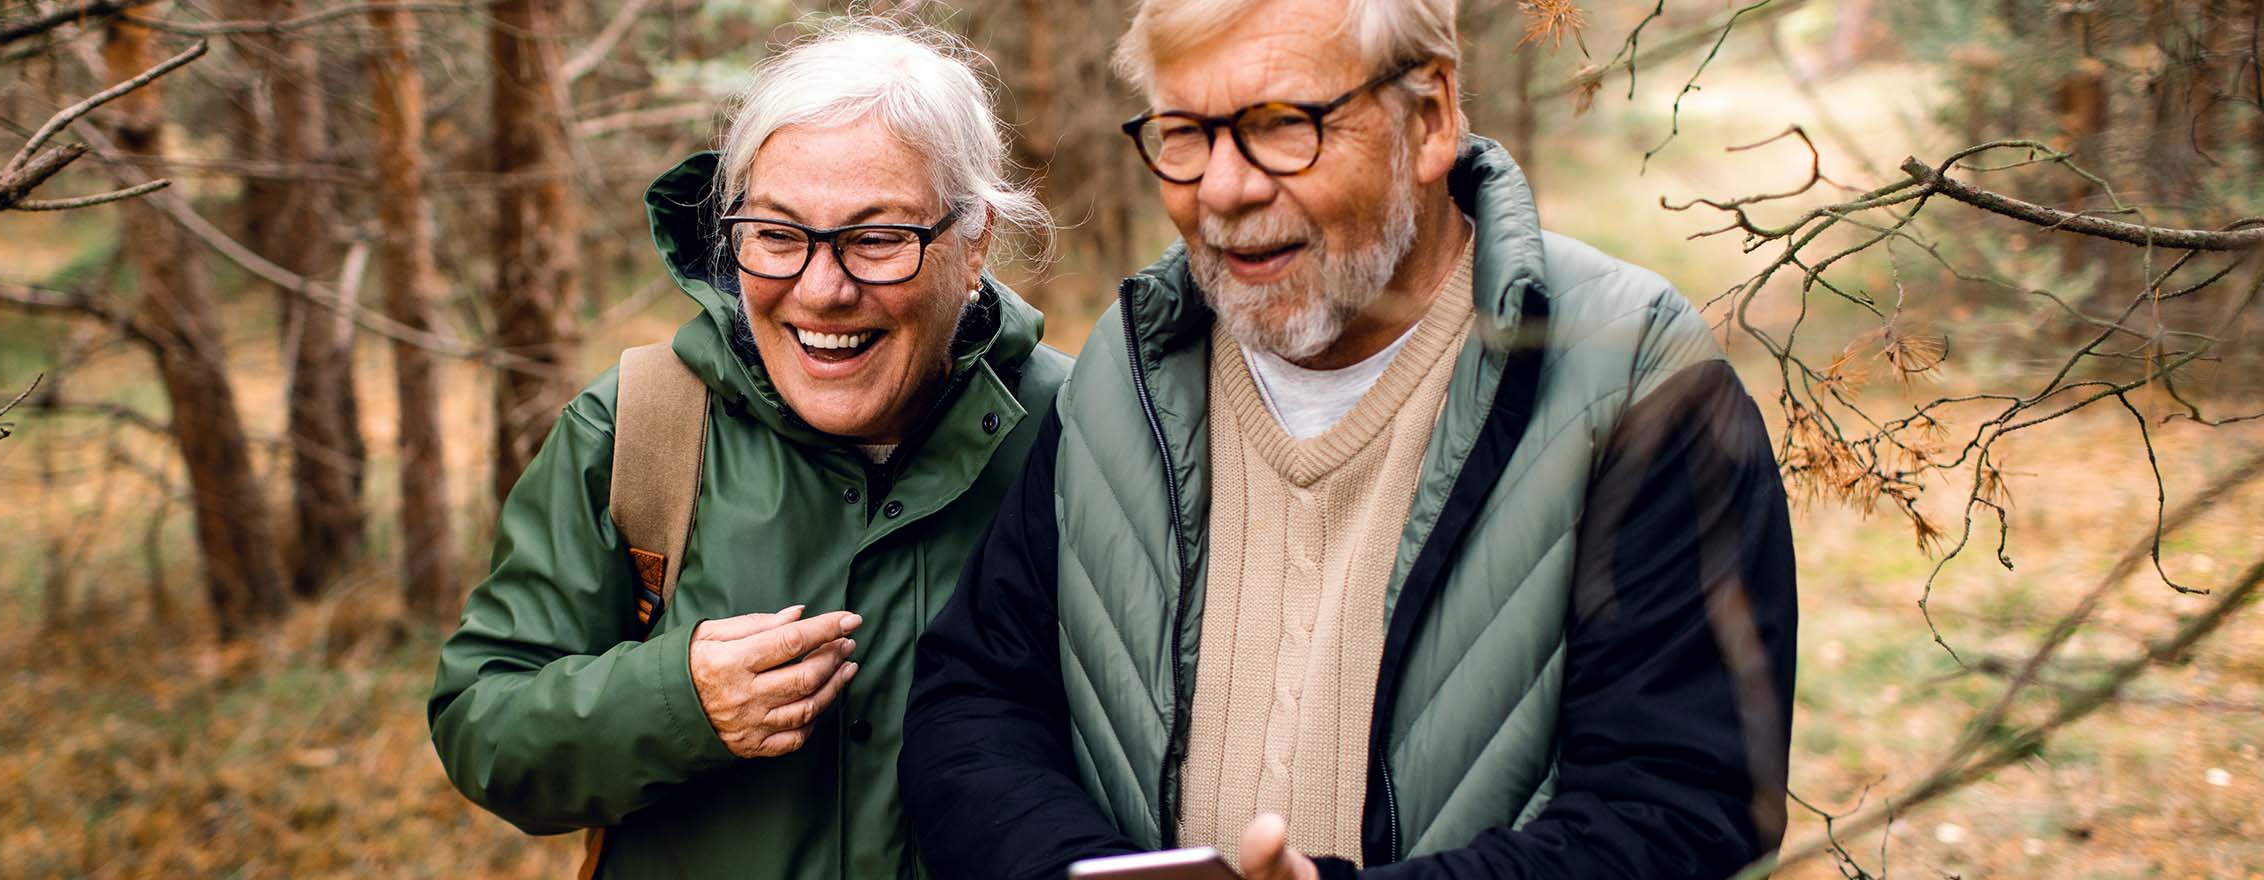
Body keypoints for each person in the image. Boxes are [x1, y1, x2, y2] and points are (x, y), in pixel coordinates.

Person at [899, 0, 1799, 878]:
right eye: (1184, 133)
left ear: (1430, 117)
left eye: (1282, 124)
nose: (1223, 187)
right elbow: (974, 703)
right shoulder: (1125, 374)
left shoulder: (1631, 374)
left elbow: (1679, 806)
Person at [428, 20, 1068, 879]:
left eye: (877, 239)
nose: (822, 289)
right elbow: (482, 723)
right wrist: (676, 703)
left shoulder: (1077, 434)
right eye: (777, 234)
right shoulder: (639, 428)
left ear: (975, 239)